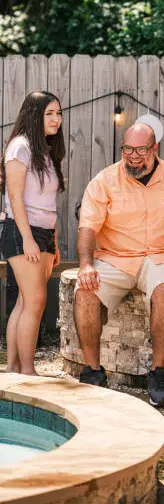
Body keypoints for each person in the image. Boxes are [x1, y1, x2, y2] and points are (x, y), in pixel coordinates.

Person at [74, 122, 164, 407]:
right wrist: (86, 264)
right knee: (85, 291)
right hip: (116, 257)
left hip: (162, 256)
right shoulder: (104, 180)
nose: (133, 156)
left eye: (141, 149)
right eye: (127, 149)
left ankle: (158, 372)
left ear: (155, 149)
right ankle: (93, 371)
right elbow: (88, 227)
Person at [1, 91, 65, 375]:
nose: (56, 119)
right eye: (49, 113)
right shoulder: (20, 146)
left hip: (43, 234)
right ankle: (28, 370)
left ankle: (14, 368)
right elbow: (14, 196)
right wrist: (27, 238)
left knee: (26, 301)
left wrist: (54, 240)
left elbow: (48, 203)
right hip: (21, 231)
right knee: (36, 301)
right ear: (34, 115)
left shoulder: (45, 152)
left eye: (58, 113)